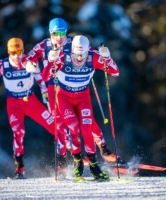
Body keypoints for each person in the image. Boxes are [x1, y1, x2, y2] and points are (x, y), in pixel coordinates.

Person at [21, 18, 119, 168]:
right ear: (50, 33)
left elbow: (89, 53)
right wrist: (29, 64)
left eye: (62, 33)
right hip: (53, 88)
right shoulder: (44, 45)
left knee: (86, 120)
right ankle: (64, 157)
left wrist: (103, 57)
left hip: (75, 86)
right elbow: (27, 58)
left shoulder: (73, 42)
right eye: (55, 34)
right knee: (60, 123)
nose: (59, 37)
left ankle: (103, 148)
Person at [0, 37, 66, 179]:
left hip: (31, 102)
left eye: (19, 52)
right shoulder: (2, 64)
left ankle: (64, 159)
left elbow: (40, 78)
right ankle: (19, 167)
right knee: (18, 132)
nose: (17, 56)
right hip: (14, 104)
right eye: (13, 52)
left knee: (55, 126)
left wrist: (44, 92)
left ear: (23, 50)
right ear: (8, 51)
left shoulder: (29, 62)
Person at [46, 35, 119, 181]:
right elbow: (45, 75)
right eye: (76, 55)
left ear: (88, 51)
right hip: (64, 98)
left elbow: (115, 72)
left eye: (83, 55)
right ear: (71, 51)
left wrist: (107, 58)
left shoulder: (93, 57)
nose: (79, 59)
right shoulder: (63, 57)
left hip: (83, 98)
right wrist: (51, 61)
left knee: (86, 128)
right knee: (73, 127)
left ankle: (93, 164)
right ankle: (77, 160)